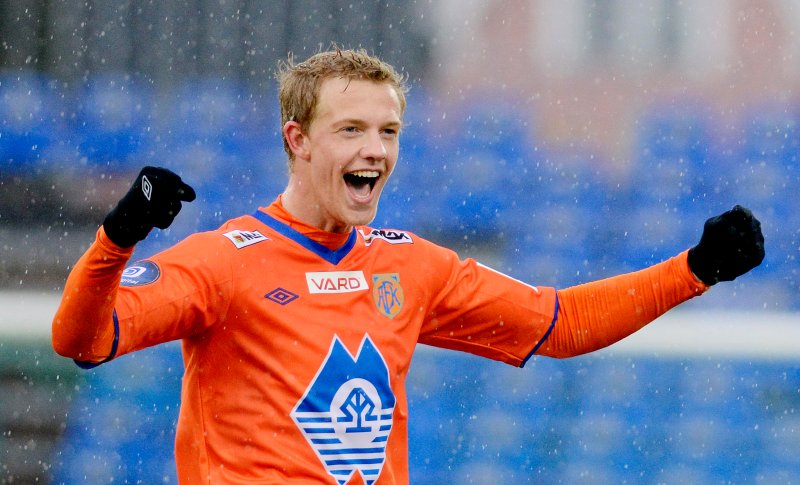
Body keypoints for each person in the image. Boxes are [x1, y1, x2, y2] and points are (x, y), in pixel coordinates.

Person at [51, 48, 765, 485]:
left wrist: (694, 268)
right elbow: (81, 340)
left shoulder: (412, 265)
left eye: (388, 131)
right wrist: (121, 234)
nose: (376, 150)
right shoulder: (220, 262)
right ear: (296, 139)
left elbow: (562, 322)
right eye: (352, 129)